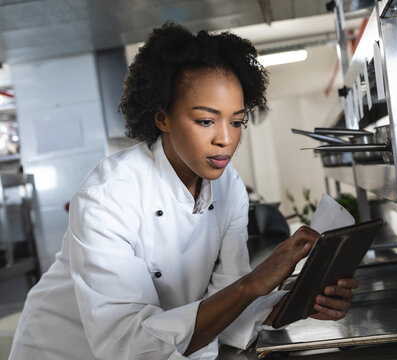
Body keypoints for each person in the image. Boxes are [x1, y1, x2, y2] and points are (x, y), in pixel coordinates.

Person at [9, 22, 358, 360]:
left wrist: (301, 302)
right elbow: (125, 345)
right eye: (206, 121)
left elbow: (229, 301)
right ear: (163, 118)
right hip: (62, 349)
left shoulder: (229, 187)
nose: (225, 138)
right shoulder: (108, 195)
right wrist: (253, 284)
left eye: (236, 121)